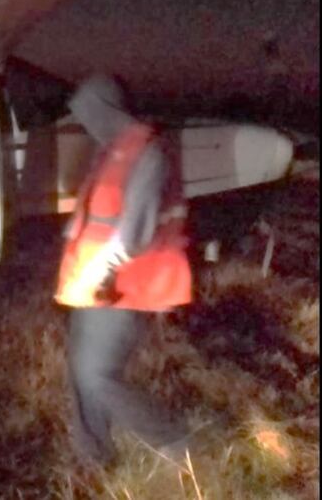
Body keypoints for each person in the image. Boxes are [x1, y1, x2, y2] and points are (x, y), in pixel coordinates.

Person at [56, 74, 193, 466]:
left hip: (123, 287)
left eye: (88, 114)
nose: (85, 123)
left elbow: (134, 234)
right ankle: (94, 458)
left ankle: (176, 440)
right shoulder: (110, 151)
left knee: (98, 376)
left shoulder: (147, 153)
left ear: (105, 110)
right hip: (92, 285)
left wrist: (99, 273)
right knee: (81, 374)